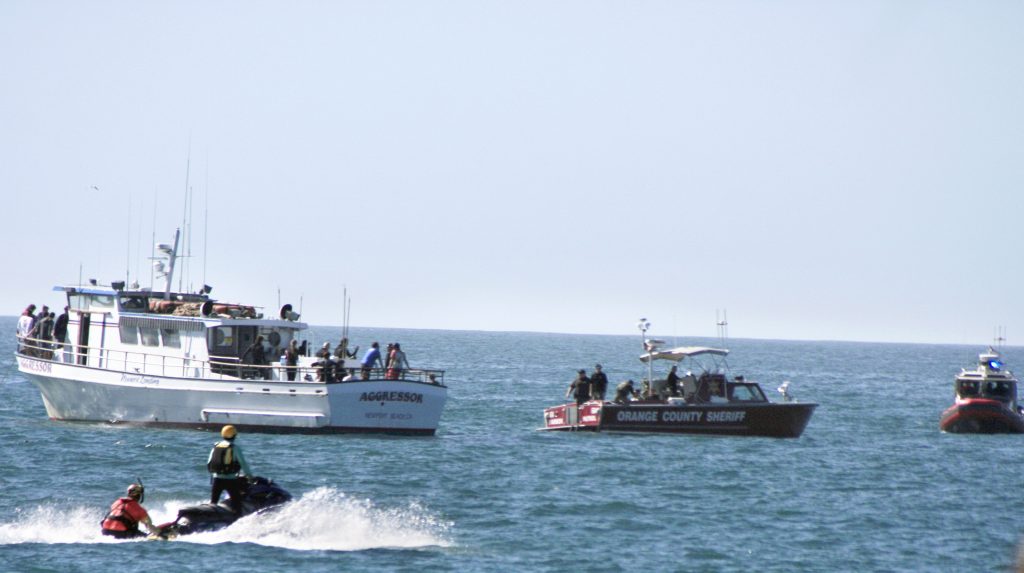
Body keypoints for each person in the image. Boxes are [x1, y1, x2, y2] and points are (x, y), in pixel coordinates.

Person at [207, 425, 252, 513]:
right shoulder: (235, 448)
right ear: (234, 435)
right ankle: (236, 519)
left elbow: (209, 463)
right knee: (237, 504)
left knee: (213, 503)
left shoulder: (216, 446)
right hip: (230, 480)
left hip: (217, 480)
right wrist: (250, 477)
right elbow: (243, 464)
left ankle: (210, 519)